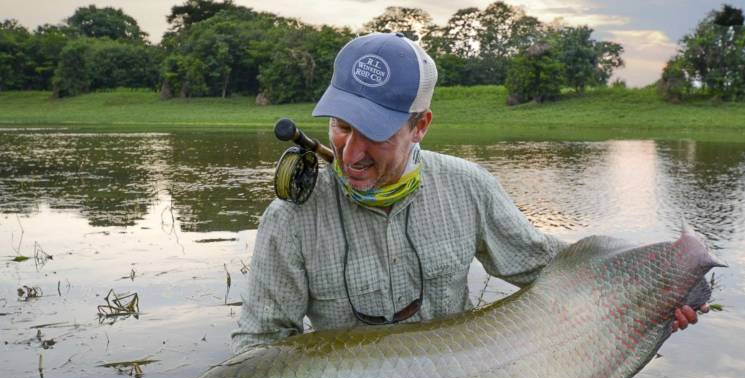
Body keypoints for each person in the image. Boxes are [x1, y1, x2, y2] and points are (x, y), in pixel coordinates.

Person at [231, 32, 705, 357]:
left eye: (373, 132)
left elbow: (548, 268)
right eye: (340, 125)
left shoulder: (468, 187)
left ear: (421, 126)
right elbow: (261, 341)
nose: (350, 152)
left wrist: (653, 290)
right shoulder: (291, 218)